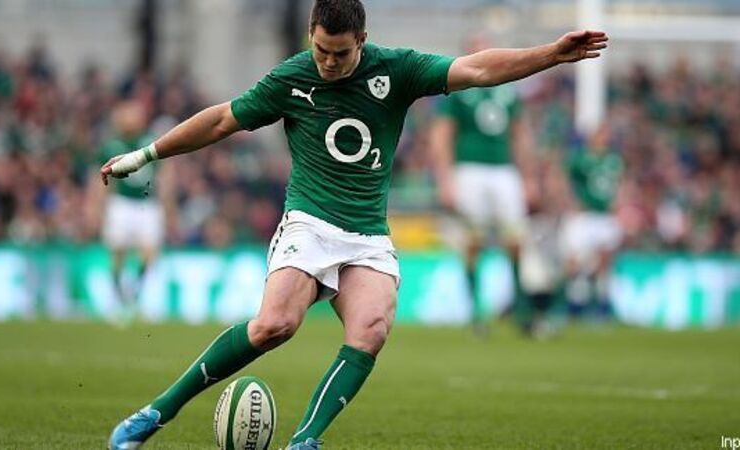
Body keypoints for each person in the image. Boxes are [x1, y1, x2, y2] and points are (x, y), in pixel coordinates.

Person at [104, 1, 608, 448]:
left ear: (362, 41)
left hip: (366, 234)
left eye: (340, 54)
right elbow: (220, 120)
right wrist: (146, 154)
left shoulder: (398, 69)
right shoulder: (291, 78)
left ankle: (305, 440)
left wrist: (551, 54)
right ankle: (156, 412)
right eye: (321, 49)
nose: (328, 62)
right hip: (309, 222)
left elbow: (476, 68)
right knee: (275, 326)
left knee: (370, 330)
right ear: (310, 34)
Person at [428, 34, 532, 335]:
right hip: (469, 170)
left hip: (505, 170)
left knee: (516, 239)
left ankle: (520, 311)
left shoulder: (508, 91)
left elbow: (520, 135)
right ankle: (476, 312)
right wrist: (445, 179)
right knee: (474, 240)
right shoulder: (457, 90)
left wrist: (528, 177)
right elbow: (442, 135)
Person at [87, 100, 173, 324]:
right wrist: (95, 207)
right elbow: (100, 181)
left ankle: (137, 296)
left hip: (148, 205)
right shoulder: (111, 146)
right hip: (120, 204)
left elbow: (164, 176)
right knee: (118, 254)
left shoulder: (150, 142)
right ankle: (117, 301)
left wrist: (168, 206)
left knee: (149, 254)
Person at [560, 123, 624, 319]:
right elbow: (565, 180)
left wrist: (618, 205)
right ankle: (574, 304)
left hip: (605, 216)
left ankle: (602, 305)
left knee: (604, 262)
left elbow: (618, 185)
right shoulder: (580, 158)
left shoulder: (614, 160)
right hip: (585, 216)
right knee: (576, 261)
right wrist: (572, 202)